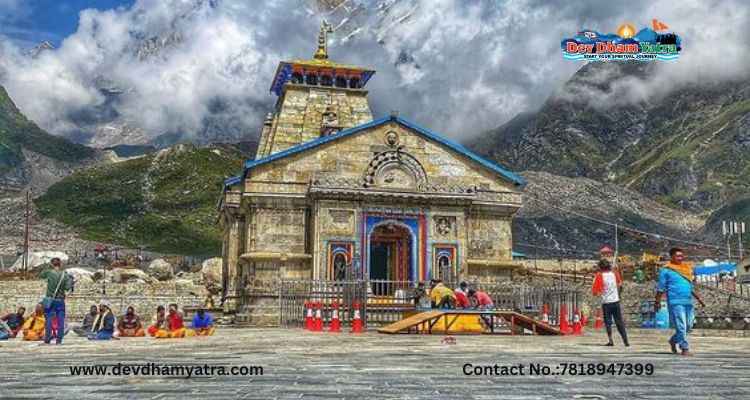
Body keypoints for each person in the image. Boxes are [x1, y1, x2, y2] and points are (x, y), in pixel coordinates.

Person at [656, 247, 705, 356]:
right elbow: (660, 288)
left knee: (688, 326)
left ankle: (673, 340)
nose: (680, 258)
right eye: (678, 256)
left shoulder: (686, 268)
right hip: (675, 301)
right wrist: (657, 302)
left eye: (681, 256)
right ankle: (684, 348)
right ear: (672, 257)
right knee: (681, 326)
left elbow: (690, 286)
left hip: (688, 301)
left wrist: (699, 298)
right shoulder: (666, 270)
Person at [592, 259, 629, 347]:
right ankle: (625, 341)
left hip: (606, 302)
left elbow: (595, 292)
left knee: (608, 322)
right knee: (619, 321)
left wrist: (600, 293)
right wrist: (618, 294)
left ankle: (611, 340)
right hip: (616, 301)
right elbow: (620, 285)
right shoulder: (615, 273)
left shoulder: (599, 276)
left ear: (600, 267)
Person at [39, 257, 73, 344]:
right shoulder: (65, 275)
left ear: (51, 264)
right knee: (61, 320)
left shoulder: (49, 272)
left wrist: (47, 266)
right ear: (60, 264)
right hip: (60, 300)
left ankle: (47, 339)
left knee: (49, 319)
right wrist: (71, 281)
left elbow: (41, 275)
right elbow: (67, 288)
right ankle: (59, 340)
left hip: (50, 300)